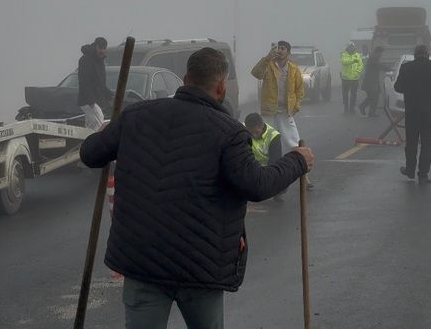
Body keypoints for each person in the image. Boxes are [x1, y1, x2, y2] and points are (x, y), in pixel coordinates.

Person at [80, 48, 314, 329]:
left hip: (142, 263)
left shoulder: (135, 116)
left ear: (184, 79)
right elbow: (257, 185)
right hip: (200, 267)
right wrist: (297, 161)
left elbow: (90, 153)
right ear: (221, 86)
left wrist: (109, 131)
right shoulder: (229, 132)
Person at [251, 41, 312, 189]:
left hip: (286, 112)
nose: (279, 50)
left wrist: (296, 107)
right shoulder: (268, 65)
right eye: (278, 48)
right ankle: (260, 178)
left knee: (294, 143)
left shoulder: (294, 69)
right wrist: (267, 57)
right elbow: (256, 73)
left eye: (283, 48)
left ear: (288, 52)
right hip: (269, 111)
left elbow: (300, 90)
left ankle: (304, 177)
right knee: (263, 144)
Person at [394, 45, 431, 184]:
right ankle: (423, 175)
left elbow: (398, 87)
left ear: (415, 54)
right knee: (427, 144)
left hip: (412, 112)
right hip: (429, 112)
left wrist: (410, 88)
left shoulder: (406, 67)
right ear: (427, 54)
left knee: (411, 143)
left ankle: (410, 170)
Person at [244, 112, 288, 202]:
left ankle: (275, 192)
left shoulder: (274, 136)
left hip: (266, 168)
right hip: (250, 166)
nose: (254, 135)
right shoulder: (242, 130)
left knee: (282, 173)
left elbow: (275, 160)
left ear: (262, 126)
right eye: (251, 133)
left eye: (256, 132)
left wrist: (265, 178)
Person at [77, 37, 113, 131]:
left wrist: (110, 95)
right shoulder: (86, 60)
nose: (102, 51)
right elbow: (85, 81)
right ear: (95, 46)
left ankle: (86, 139)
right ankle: (98, 140)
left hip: (94, 100)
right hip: (88, 100)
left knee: (91, 127)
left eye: (104, 48)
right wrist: (91, 101)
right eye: (100, 48)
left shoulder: (99, 61)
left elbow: (100, 83)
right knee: (99, 122)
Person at [358, 46, 386, 117]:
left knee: (373, 97)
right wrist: (389, 68)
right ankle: (365, 108)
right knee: (373, 97)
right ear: (378, 52)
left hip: (372, 81)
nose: (381, 55)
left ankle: (369, 111)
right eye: (381, 53)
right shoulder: (373, 58)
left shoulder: (374, 57)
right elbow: (379, 66)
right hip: (371, 82)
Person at [340, 42, 364, 114]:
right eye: (350, 47)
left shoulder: (357, 55)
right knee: (345, 95)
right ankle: (346, 108)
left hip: (355, 78)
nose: (351, 48)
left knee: (354, 95)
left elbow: (361, 65)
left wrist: (358, 72)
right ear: (347, 48)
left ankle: (352, 109)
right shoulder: (343, 54)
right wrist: (353, 61)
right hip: (346, 79)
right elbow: (344, 62)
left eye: (352, 47)